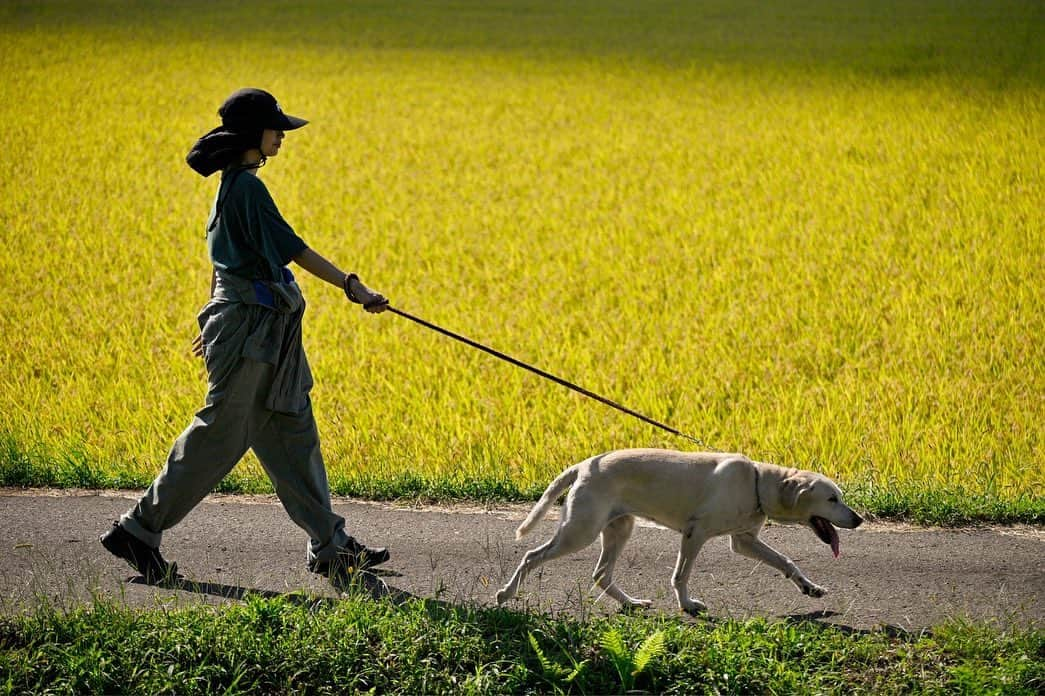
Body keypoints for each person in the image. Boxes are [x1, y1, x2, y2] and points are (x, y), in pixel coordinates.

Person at [100, 87, 390, 587]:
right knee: (220, 435)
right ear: (252, 135)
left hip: (264, 331)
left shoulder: (234, 188)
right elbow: (292, 249)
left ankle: (330, 544)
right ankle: (138, 529)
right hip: (252, 333)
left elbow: (224, 263)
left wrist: (216, 315)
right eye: (275, 129)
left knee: (294, 431)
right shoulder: (246, 188)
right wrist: (352, 285)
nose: (282, 136)